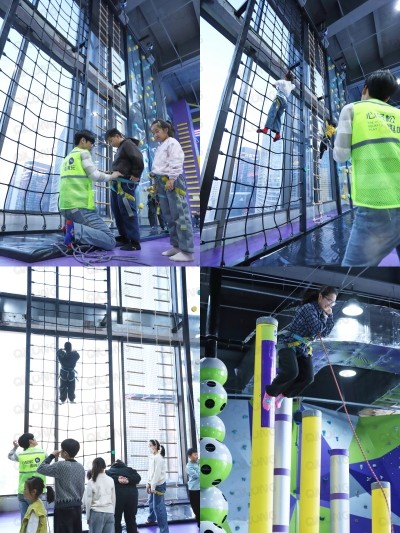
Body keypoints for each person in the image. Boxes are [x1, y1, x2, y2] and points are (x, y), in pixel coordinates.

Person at [333, 69, 400, 266]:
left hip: (378, 205)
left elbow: (340, 155)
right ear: (387, 97)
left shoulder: (352, 110)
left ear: (364, 89)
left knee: (351, 275)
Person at [263, 286, 337, 410]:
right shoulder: (309, 308)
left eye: (333, 302)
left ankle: (283, 395)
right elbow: (317, 329)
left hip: (303, 348)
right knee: (292, 372)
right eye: (329, 300)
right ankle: (270, 393)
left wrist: (330, 316)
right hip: (289, 343)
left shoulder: (322, 313)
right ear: (320, 296)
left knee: (308, 378)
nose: (330, 304)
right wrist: (326, 317)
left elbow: (325, 333)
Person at [59, 129, 122, 251]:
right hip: (80, 207)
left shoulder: (67, 158)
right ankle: (74, 230)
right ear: (83, 140)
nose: (92, 146)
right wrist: (112, 176)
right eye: (91, 143)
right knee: (110, 240)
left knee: (95, 216)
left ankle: (71, 228)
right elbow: (95, 176)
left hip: (65, 208)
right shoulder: (83, 153)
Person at [150, 119, 194, 262]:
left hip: (172, 180)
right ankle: (176, 246)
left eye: (157, 131)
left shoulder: (172, 143)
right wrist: (156, 183)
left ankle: (187, 251)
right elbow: (158, 167)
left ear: (165, 130)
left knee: (180, 215)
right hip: (161, 181)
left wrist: (172, 178)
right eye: (153, 133)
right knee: (168, 216)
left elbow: (176, 160)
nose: (155, 135)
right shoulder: (160, 147)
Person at [105, 128, 144, 251]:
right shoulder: (120, 148)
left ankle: (134, 242)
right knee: (117, 210)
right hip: (117, 184)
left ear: (117, 136)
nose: (111, 144)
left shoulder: (127, 144)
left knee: (128, 211)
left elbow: (138, 157)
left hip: (125, 184)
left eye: (111, 141)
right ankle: (124, 236)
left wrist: (136, 174)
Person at [37, 438, 85, 533]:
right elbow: (82, 488)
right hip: (77, 507)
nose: (60, 451)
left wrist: (51, 456)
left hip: (63, 509)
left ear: (65, 453)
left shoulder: (60, 465)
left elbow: (40, 469)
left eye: (61, 449)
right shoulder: (81, 467)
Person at [8, 433, 47, 521]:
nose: (36, 440)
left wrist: (15, 447)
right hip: (37, 492)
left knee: (25, 520)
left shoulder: (21, 454)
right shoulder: (42, 453)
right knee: (37, 520)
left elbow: (10, 456)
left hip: (22, 491)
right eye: (34, 438)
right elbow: (49, 463)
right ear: (31, 441)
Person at [257, 71, 295, 142]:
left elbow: (275, 83)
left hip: (279, 99)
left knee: (272, 112)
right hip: (285, 103)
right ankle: (278, 134)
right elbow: (293, 86)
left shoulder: (282, 81)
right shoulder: (291, 85)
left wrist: (275, 86)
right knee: (278, 117)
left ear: (285, 77)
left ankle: (266, 129)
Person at [106, 459, 141, 533]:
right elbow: (138, 478)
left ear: (114, 464)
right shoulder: (130, 470)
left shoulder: (109, 471)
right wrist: (128, 480)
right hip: (132, 496)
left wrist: (118, 479)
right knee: (131, 519)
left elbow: (105, 478)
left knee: (116, 519)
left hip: (117, 497)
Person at [85, 457, 115, 533]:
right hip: (110, 512)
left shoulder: (91, 481)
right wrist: (112, 512)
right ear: (104, 466)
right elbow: (113, 499)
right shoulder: (111, 480)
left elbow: (88, 501)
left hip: (96, 513)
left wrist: (88, 517)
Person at [146, 439, 169, 532]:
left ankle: (164, 531)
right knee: (151, 502)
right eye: (149, 445)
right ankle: (152, 518)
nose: (149, 447)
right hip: (153, 483)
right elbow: (150, 471)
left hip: (158, 485)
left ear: (155, 446)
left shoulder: (159, 458)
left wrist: (152, 486)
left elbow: (157, 474)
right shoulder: (153, 457)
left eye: (150, 445)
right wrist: (148, 483)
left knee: (159, 508)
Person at [186, 448, 199, 527]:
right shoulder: (189, 466)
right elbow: (196, 476)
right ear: (190, 456)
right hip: (193, 489)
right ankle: (199, 523)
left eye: (197, 454)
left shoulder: (199, 463)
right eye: (195, 455)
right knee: (196, 508)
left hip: (200, 489)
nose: (197, 456)